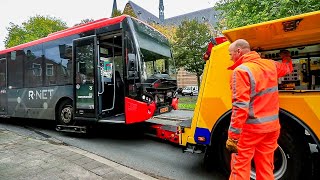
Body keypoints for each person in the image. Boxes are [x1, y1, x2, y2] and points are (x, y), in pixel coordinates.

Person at [226, 39, 293, 180]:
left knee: (240, 168)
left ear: (239, 51)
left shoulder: (241, 71)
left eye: (230, 54)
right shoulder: (271, 65)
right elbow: (287, 68)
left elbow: (240, 107)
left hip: (250, 130)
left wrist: (233, 136)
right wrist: (286, 57)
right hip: (272, 129)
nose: (230, 57)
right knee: (266, 167)